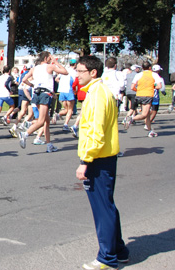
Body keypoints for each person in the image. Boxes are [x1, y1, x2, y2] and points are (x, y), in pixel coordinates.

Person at [75, 55, 128, 270]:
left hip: (98, 158)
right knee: (107, 206)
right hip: (104, 156)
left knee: (103, 209)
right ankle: (119, 250)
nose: (77, 75)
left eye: (80, 71)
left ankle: (107, 258)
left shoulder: (97, 94)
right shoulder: (101, 91)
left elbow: (96, 132)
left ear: (93, 72)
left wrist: (85, 161)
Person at [18, 51, 68, 152]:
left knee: (46, 122)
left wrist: (32, 85)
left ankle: (49, 144)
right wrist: (56, 62)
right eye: (50, 57)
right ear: (46, 58)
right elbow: (65, 72)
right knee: (41, 121)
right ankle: (25, 134)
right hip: (44, 95)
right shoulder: (49, 67)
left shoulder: (34, 68)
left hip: (37, 93)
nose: (51, 59)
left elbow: (23, 79)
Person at [124, 61, 163, 137]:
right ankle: (131, 119)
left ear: (142, 67)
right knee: (144, 114)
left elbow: (132, 87)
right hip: (148, 95)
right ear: (150, 68)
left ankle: (150, 130)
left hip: (139, 95)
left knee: (147, 114)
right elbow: (159, 86)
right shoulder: (154, 74)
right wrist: (152, 87)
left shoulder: (139, 75)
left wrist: (138, 90)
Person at [0, 65, 17, 132]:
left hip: (0, 94)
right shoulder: (9, 77)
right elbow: (6, 84)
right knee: (12, 106)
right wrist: (10, 91)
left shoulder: (0, 77)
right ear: (9, 71)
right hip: (6, 94)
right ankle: (5, 116)